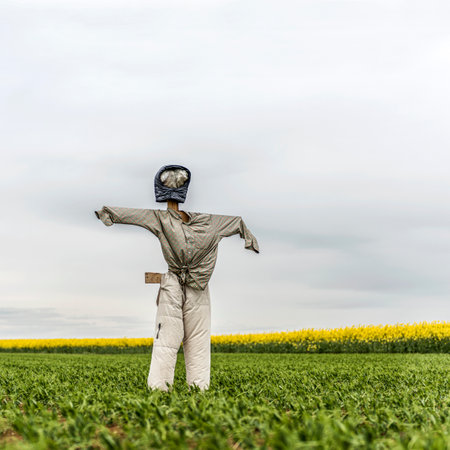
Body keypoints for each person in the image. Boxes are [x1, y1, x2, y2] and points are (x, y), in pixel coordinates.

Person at [95, 164, 259, 390]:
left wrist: (107, 213)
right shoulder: (211, 222)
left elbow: (135, 216)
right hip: (197, 286)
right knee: (195, 340)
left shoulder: (165, 220)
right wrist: (248, 238)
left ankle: (161, 389)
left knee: (169, 340)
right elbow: (238, 221)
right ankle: (196, 388)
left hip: (182, 284)